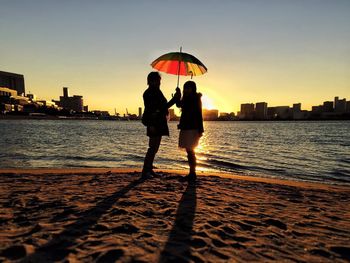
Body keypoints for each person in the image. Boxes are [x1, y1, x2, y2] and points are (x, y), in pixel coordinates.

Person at [142, 72, 181, 178]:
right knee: (152, 147)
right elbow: (160, 108)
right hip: (153, 122)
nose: (159, 82)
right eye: (157, 80)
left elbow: (163, 107)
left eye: (159, 80)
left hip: (158, 122)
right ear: (150, 81)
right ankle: (146, 171)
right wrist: (174, 99)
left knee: (155, 147)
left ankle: (149, 169)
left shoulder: (156, 92)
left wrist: (175, 98)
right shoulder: (150, 93)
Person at [176, 81, 204, 182]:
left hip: (192, 128)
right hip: (186, 127)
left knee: (191, 151)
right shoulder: (186, 98)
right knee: (189, 151)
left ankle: (192, 173)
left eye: (188, 88)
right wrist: (178, 95)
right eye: (185, 88)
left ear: (193, 88)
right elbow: (179, 105)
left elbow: (199, 115)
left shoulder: (195, 99)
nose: (187, 90)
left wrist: (201, 130)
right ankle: (192, 173)